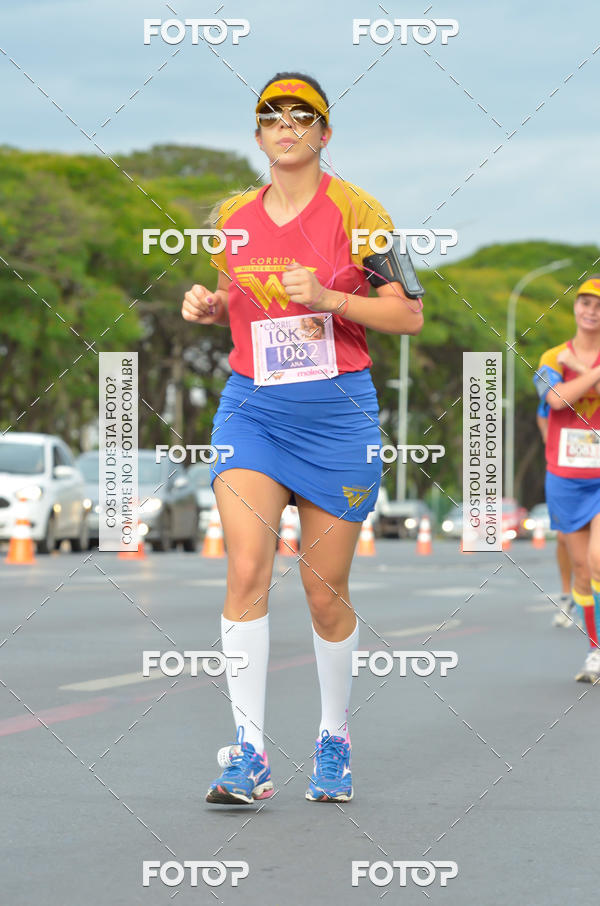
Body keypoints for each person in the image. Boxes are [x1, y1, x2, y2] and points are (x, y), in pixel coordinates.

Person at [181, 71, 424, 803]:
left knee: (324, 593)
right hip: (252, 410)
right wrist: (213, 304)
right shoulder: (232, 217)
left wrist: (328, 297)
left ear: (324, 132)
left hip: (337, 416)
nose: (286, 126)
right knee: (245, 571)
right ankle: (249, 754)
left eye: (302, 115)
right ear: (258, 134)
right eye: (272, 116)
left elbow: (407, 316)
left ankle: (333, 737)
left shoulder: (362, 212)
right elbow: (243, 298)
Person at [533, 277, 600, 681]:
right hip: (566, 477)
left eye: (599, 305)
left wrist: (579, 373)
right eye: (586, 303)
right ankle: (595, 649)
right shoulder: (552, 356)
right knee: (581, 570)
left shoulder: (566, 363)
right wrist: (593, 374)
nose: (592, 311)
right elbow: (555, 399)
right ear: (575, 308)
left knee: (598, 560)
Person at [535, 399, 577, 627]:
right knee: (563, 537)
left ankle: (588, 595)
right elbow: (543, 412)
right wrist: (547, 435)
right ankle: (567, 597)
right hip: (567, 473)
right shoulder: (557, 385)